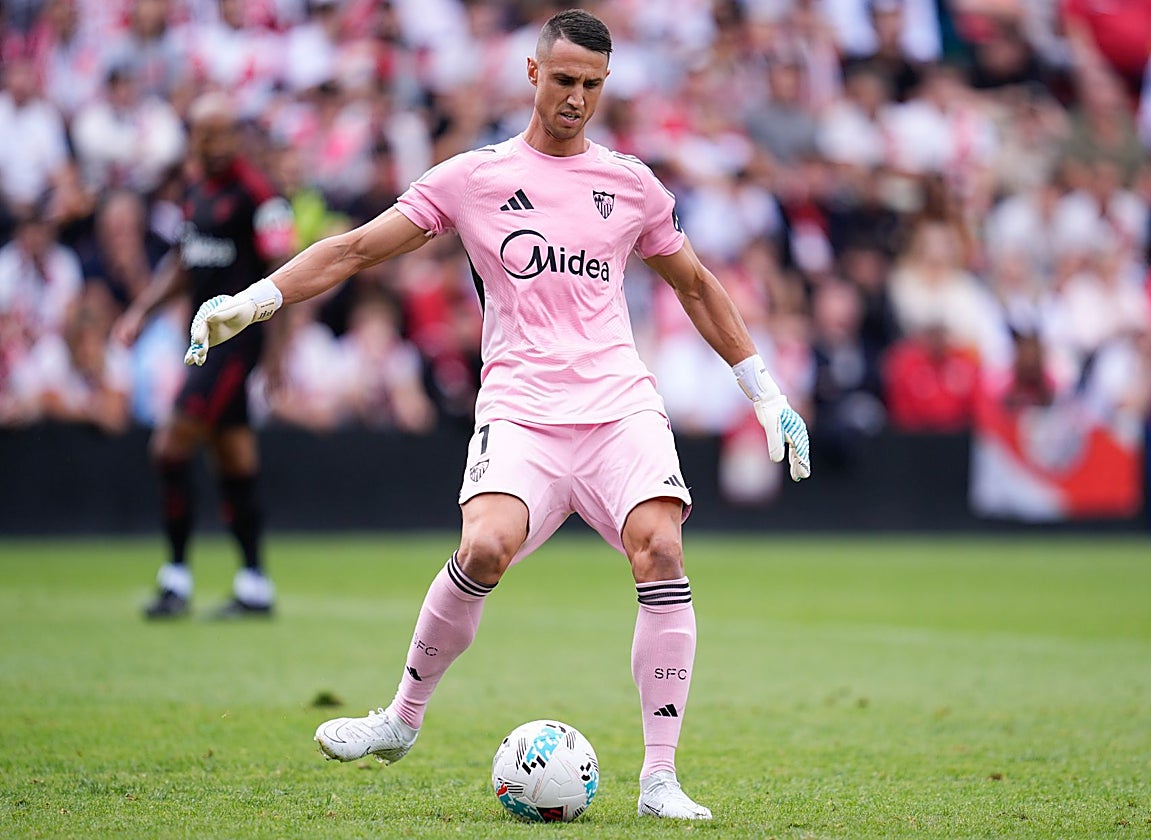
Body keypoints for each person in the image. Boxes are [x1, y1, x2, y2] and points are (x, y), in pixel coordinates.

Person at [182, 10, 809, 820]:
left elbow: (694, 286)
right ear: (532, 74)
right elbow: (355, 249)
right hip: (521, 411)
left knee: (660, 548)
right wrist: (253, 300)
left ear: (604, 85)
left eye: (590, 85)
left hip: (619, 407)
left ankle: (659, 779)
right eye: (563, 81)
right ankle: (400, 721)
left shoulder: (631, 185)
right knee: (484, 546)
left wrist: (766, 392)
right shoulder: (473, 179)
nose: (575, 98)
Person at [113, 91, 296, 619]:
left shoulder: (260, 194)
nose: (210, 144)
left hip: (237, 343)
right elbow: (183, 260)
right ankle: (255, 586)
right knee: (233, 454)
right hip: (201, 342)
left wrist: (279, 353)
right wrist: (142, 310)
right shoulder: (193, 189)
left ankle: (175, 579)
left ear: (235, 136)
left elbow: (284, 273)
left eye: (219, 133)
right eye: (201, 133)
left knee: (169, 444)